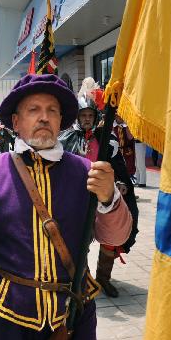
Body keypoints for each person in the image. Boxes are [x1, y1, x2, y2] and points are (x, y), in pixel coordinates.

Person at [0, 74, 132, 340]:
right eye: (34, 110)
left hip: (72, 313)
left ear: (60, 120)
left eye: (51, 110)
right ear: (16, 122)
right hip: (5, 317)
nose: (44, 117)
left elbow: (116, 237)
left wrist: (109, 198)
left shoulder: (87, 172)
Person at [58, 98, 139, 298]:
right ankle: (80, 277)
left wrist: (119, 182)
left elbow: (117, 165)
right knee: (77, 238)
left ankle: (103, 278)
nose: (87, 119)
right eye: (83, 115)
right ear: (77, 116)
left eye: (90, 115)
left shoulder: (106, 138)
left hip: (103, 195)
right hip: (77, 198)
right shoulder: (65, 138)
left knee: (110, 239)